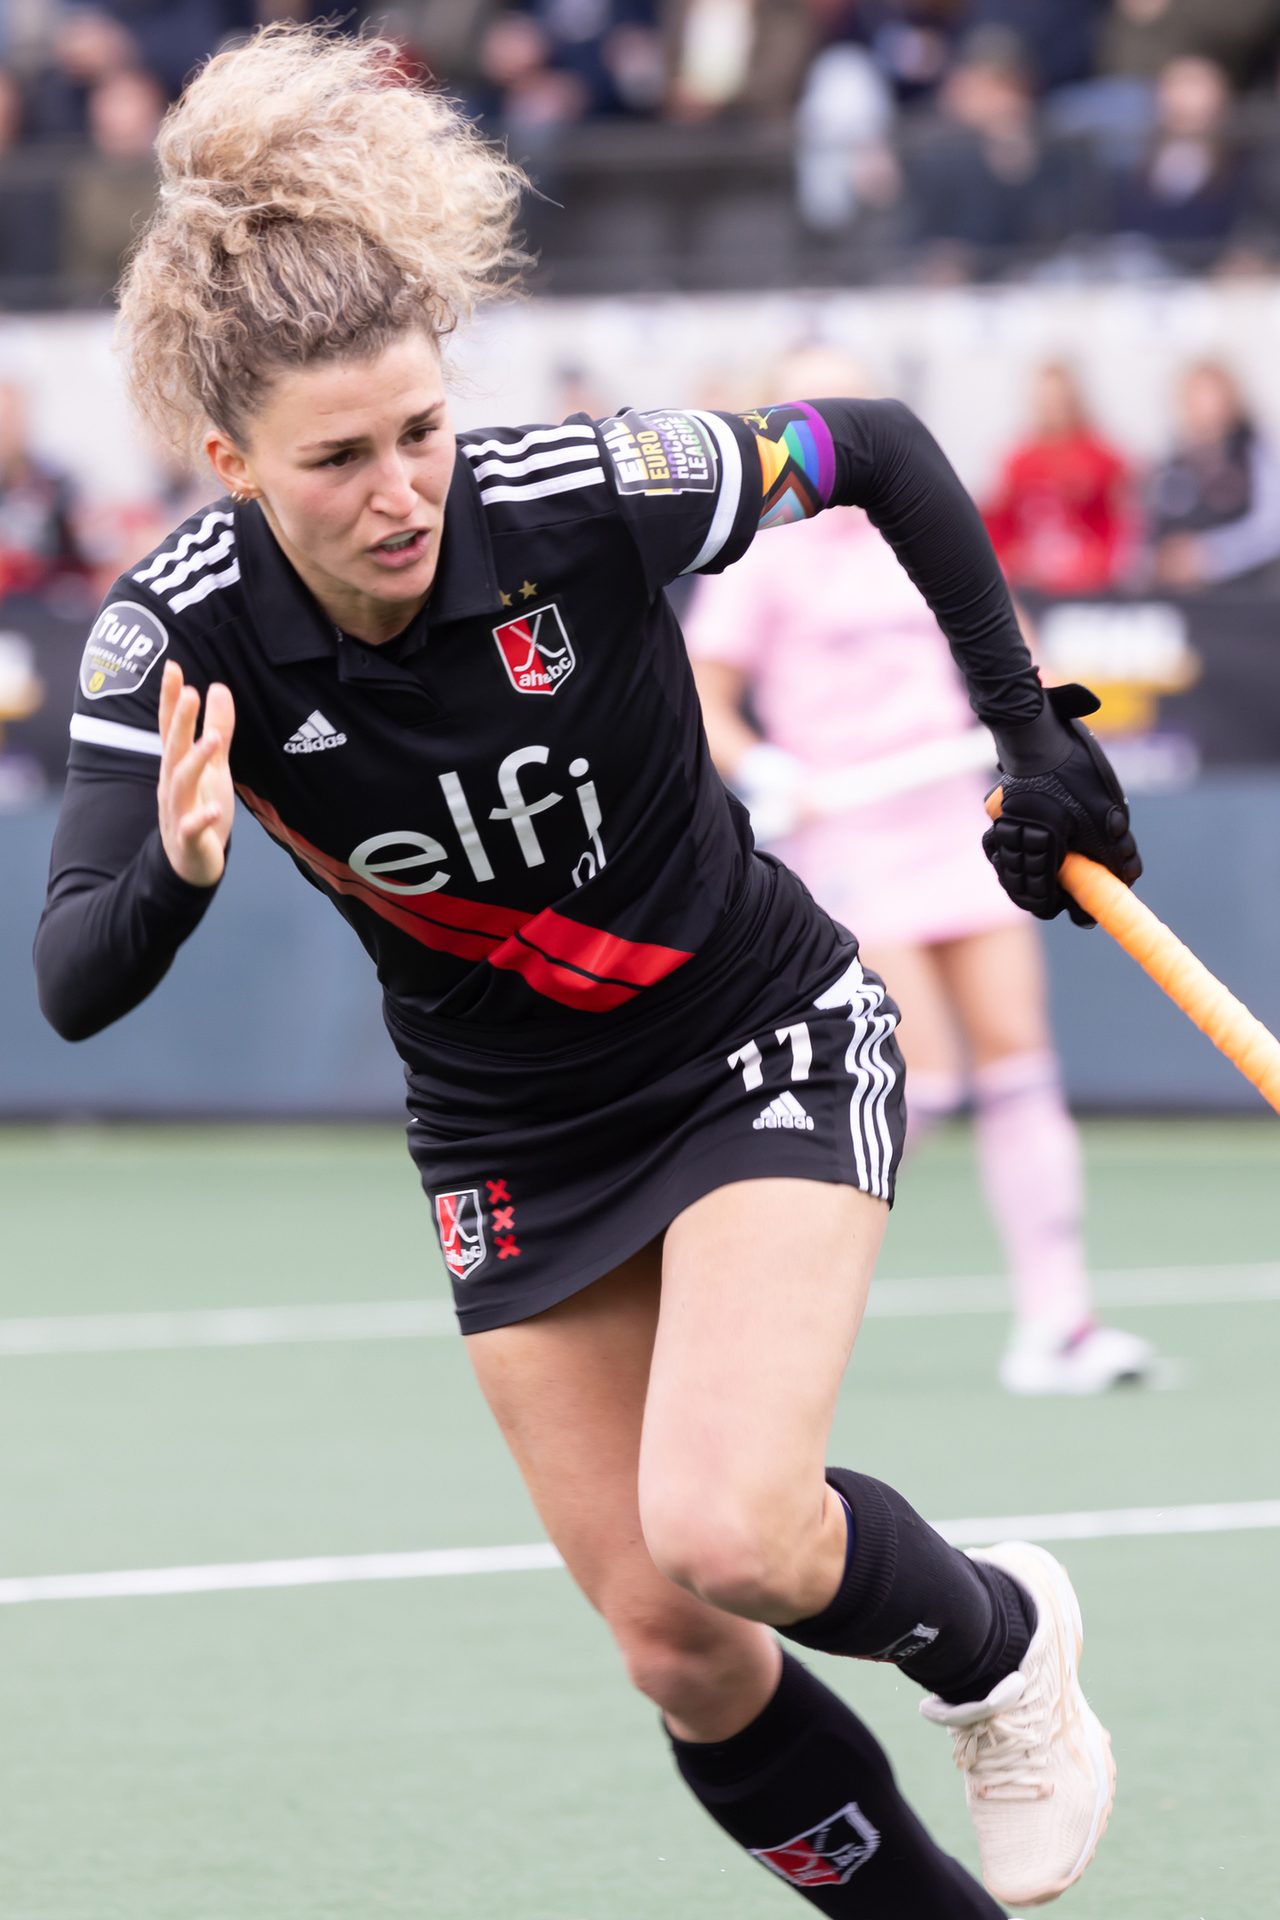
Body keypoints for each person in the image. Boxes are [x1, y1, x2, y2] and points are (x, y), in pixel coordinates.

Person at [35, 24, 1142, 1916]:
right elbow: (73, 976)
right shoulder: (172, 637)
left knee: (727, 1526)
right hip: (507, 1137)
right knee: (678, 1645)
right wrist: (181, 874)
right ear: (230, 462)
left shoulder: (580, 488)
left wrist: (1026, 729)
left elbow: (868, 446)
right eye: (339, 461)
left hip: (754, 1040)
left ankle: (995, 1643)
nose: (403, 491)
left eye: (419, 432)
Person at [687, 345, 1154, 1397]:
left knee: (1017, 1057)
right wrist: (765, 764)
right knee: (919, 1074)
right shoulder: (763, 557)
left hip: (956, 823)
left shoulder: (923, 525)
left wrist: (1044, 733)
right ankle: (754, 1308)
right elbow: (702, 700)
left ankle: (1058, 1326)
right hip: (844, 837)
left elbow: (1023, 663)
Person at [982, 358, 1134, 597]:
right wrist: (1017, 560)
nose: (1051, 406)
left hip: (1091, 589)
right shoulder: (1018, 461)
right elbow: (999, 526)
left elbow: (1121, 527)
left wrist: (1094, 565)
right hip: (1030, 587)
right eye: (1045, 399)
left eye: (1057, 398)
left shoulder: (1103, 459)